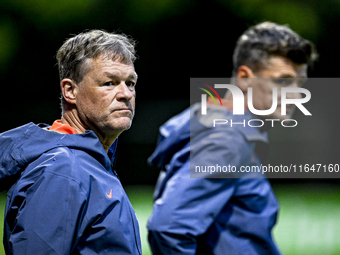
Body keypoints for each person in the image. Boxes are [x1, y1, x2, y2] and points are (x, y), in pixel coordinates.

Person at [147, 22, 317, 254]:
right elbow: (167, 229)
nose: (297, 94)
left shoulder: (219, 123)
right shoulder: (227, 136)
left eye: (301, 84)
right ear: (245, 78)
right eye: (283, 81)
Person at [0, 30, 142, 254]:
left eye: (130, 83)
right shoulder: (63, 170)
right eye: (109, 83)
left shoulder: (89, 161)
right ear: (70, 91)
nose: (125, 93)